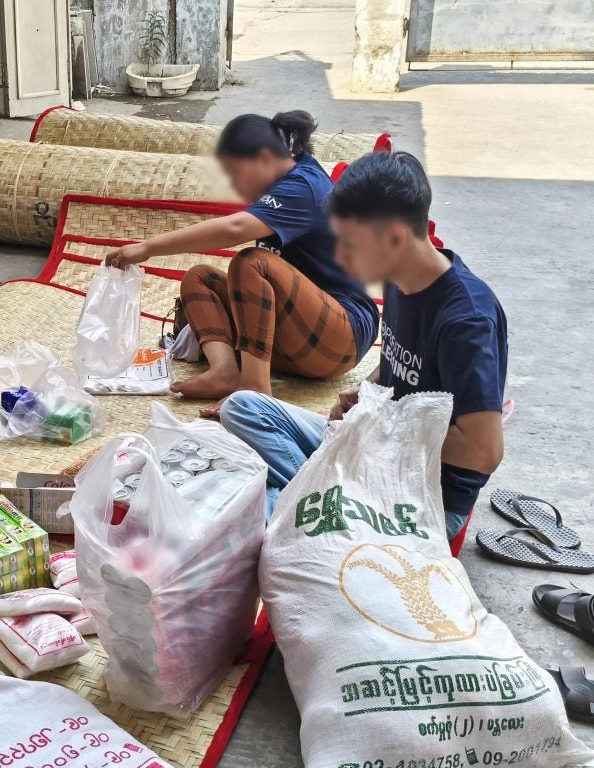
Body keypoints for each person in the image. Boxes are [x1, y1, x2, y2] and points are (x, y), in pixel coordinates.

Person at [219, 152, 507, 540]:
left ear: (394, 238)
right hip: (374, 449)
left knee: (261, 525)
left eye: (351, 245)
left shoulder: (466, 321)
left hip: (424, 491)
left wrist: (380, 425)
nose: (343, 259)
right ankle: (314, 490)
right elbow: (400, 362)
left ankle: (301, 495)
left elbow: (482, 451)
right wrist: (366, 393)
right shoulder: (400, 276)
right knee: (243, 408)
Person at [105, 111, 379, 408]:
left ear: (263, 158)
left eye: (236, 173)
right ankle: (224, 372)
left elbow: (233, 229)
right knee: (198, 278)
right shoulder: (284, 183)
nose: (235, 185)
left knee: (251, 263)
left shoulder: (304, 186)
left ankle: (255, 388)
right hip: (298, 338)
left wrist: (147, 247)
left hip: (341, 335)